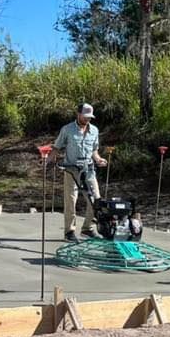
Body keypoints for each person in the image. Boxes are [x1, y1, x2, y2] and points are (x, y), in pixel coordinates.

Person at [53, 102, 107, 242]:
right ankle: (69, 232)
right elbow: (57, 147)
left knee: (96, 199)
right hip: (71, 170)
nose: (88, 119)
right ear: (78, 114)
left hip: (88, 170)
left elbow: (94, 150)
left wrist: (99, 159)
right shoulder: (67, 130)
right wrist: (46, 160)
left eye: (90, 116)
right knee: (71, 200)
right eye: (85, 116)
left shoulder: (94, 130)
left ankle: (87, 228)